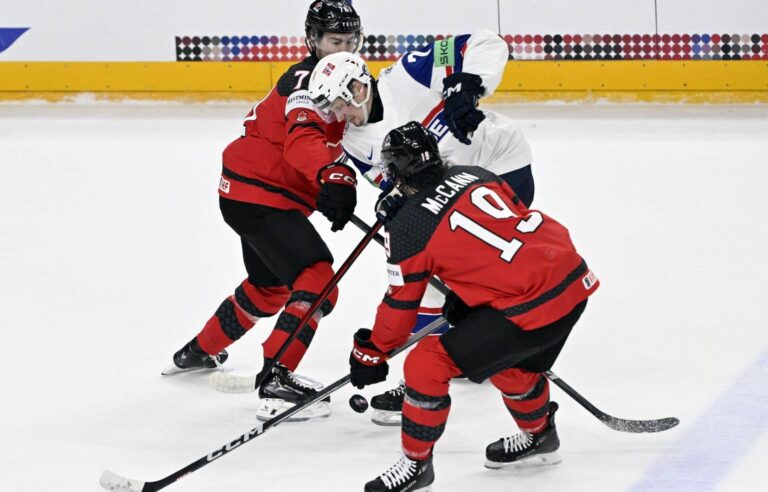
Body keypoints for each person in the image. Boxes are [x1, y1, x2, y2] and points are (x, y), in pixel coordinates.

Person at [347, 122, 599, 491]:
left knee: (426, 362)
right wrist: (472, 298)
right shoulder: (476, 174)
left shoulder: (408, 229)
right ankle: (540, 436)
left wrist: (371, 353)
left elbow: (401, 306)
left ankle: (415, 466)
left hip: (528, 307)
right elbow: (503, 235)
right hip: (572, 283)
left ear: (397, 175)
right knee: (506, 363)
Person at [308, 31, 535, 424]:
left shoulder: (409, 74)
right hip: (456, 190)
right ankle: (460, 354)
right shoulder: (356, 143)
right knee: (437, 274)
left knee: (478, 267)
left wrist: (469, 82)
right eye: (332, 110)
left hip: (500, 162)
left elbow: (485, 42)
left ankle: (504, 340)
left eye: (341, 104)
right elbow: (401, 185)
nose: (340, 116)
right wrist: (394, 200)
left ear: (360, 85)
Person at [162, 0, 363, 422]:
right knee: (318, 281)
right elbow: (303, 140)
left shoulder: (346, 77)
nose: (344, 47)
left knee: (269, 287)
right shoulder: (306, 83)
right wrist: (331, 175)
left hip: (250, 192)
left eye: (350, 40)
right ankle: (277, 375)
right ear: (313, 40)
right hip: (262, 195)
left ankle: (197, 351)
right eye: (334, 41)